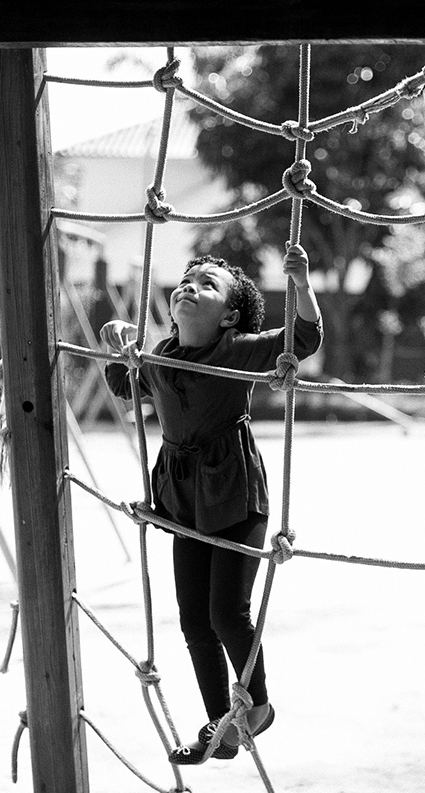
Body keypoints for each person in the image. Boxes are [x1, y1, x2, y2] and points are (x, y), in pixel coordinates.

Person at [100, 245, 322, 765]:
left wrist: (303, 283)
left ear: (228, 316)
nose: (189, 287)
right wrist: (120, 346)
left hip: (234, 494)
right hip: (184, 503)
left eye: (207, 284)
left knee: (227, 612)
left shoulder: (236, 349)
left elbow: (304, 339)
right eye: (186, 280)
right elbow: (124, 385)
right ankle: (220, 722)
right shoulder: (161, 355)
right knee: (193, 620)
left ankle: (258, 706)